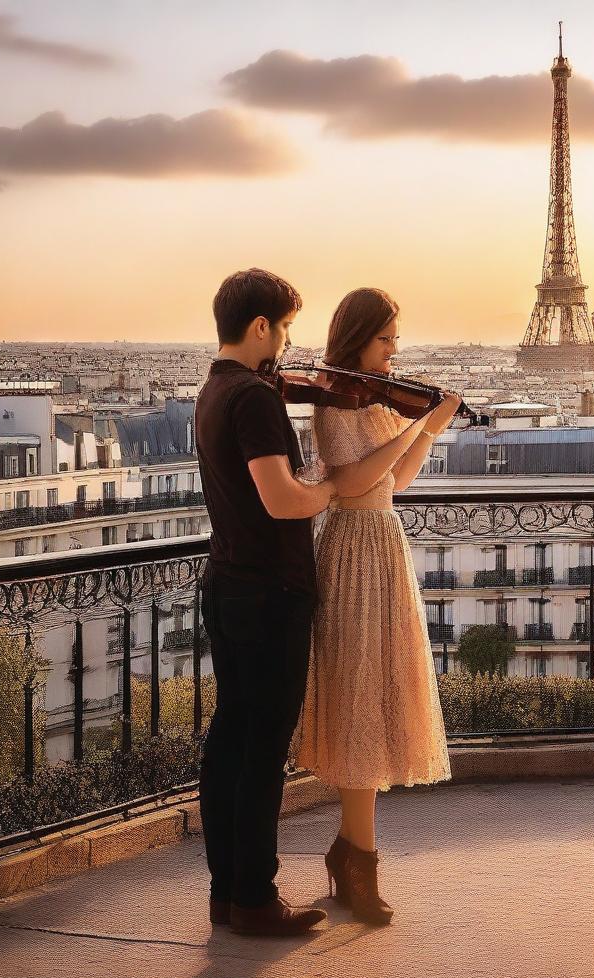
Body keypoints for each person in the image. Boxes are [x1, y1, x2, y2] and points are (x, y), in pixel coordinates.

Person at [291, 287, 461, 925]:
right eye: (386, 337)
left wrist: (429, 429)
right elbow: (353, 481)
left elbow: (397, 480)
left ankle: (352, 854)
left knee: (378, 694)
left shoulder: (374, 398)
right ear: (359, 337)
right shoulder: (335, 400)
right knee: (359, 698)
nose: (395, 350)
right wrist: (417, 425)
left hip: (382, 545)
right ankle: (357, 862)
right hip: (355, 548)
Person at [194, 267, 337, 937]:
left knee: (230, 740)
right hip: (269, 592)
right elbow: (281, 498)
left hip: (227, 584)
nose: (286, 341)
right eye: (283, 328)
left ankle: (227, 891)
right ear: (260, 327)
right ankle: (256, 897)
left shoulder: (212, 390)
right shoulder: (253, 396)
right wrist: (327, 488)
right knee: (262, 749)